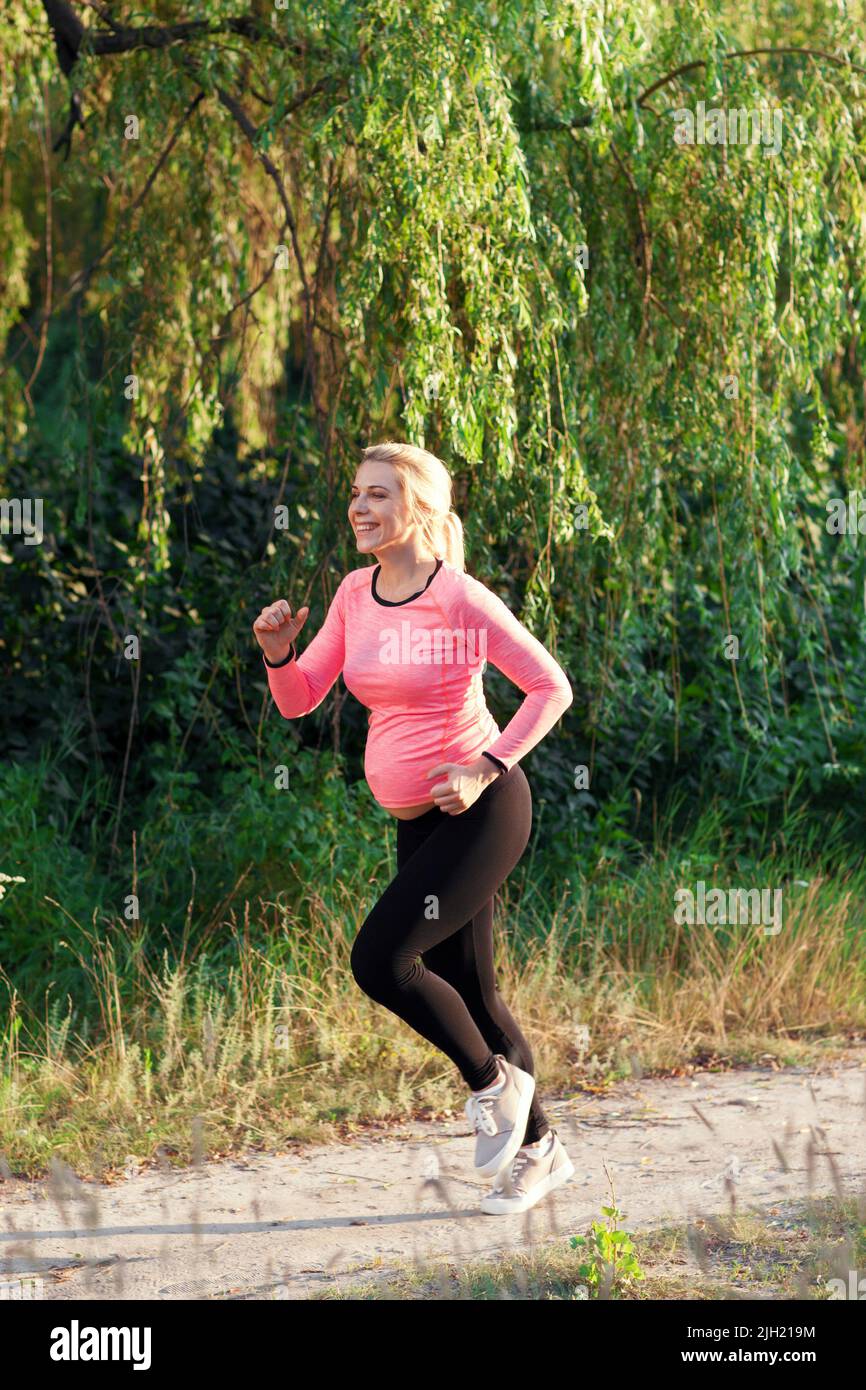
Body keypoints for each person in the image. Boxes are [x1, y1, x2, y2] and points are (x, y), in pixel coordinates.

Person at [252, 441, 575, 1214]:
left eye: (378, 495)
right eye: (356, 494)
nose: (360, 508)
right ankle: (541, 1150)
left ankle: (493, 1084)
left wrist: (486, 765)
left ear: (419, 508)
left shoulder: (458, 598)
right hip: (417, 823)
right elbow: (301, 698)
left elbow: (549, 686)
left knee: (380, 960)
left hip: (482, 810)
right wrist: (278, 654)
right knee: (474, 990)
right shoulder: (354, 595)